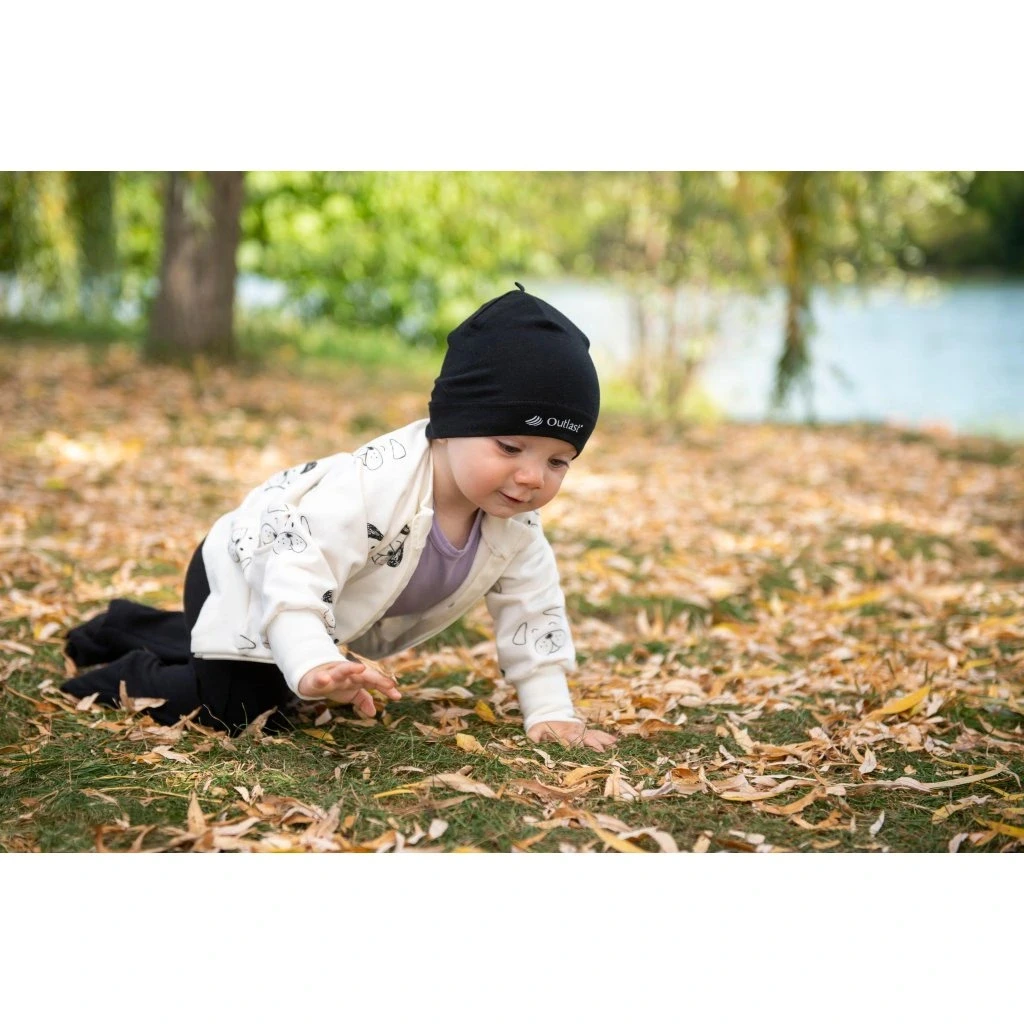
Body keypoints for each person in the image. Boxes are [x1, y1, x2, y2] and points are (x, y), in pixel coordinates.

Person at [63, 283, 617, 752]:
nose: (532, 476)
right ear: (452, 424)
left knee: (262, 666)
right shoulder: (372, 488)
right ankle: (125, 673)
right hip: (249, 566)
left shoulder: (514, 527)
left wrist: (550, 709)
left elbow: (533, 610)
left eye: (558, 461)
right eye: (510, 447)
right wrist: (312, 663)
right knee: (244, 711)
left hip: (305, 600)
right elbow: (295, 570)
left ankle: (133, 624)